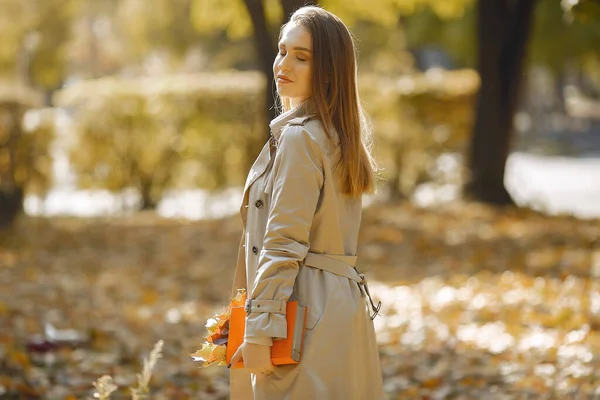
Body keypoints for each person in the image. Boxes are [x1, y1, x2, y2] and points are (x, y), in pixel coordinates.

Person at [228, 5, 384, 399]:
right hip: (340, 314)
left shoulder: (301, 139)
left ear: (329, 70)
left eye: (302, 57)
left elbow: (283, 240)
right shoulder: (338, 136)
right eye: (283, 51)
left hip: (299, 320)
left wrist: (261, 329)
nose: (285, 64)